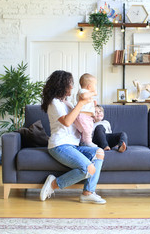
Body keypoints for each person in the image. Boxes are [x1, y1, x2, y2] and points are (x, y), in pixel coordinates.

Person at [40, 70, 106, 204]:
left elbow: (80, 116)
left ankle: (88, 193)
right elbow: (67, 121)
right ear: (61, 85)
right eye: (70, 84)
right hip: (60, 146)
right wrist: (81, 103)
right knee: (88, 168)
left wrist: (91, 111)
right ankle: (54, 184)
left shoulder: (67, 103)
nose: (72, 87)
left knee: (99, 152)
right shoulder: (54, 103)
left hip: (74, 145)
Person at [74, 73, 98, 147]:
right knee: (87, 130)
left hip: (87, 117)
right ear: (89, 86)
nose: (96, 87)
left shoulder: (87, 92)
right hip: (82, 116)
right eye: (95, 85)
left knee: (87, 130)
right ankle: (87, 142)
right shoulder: (82, 91)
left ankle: (83, 142)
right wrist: (93, 93)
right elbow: (84, 96)